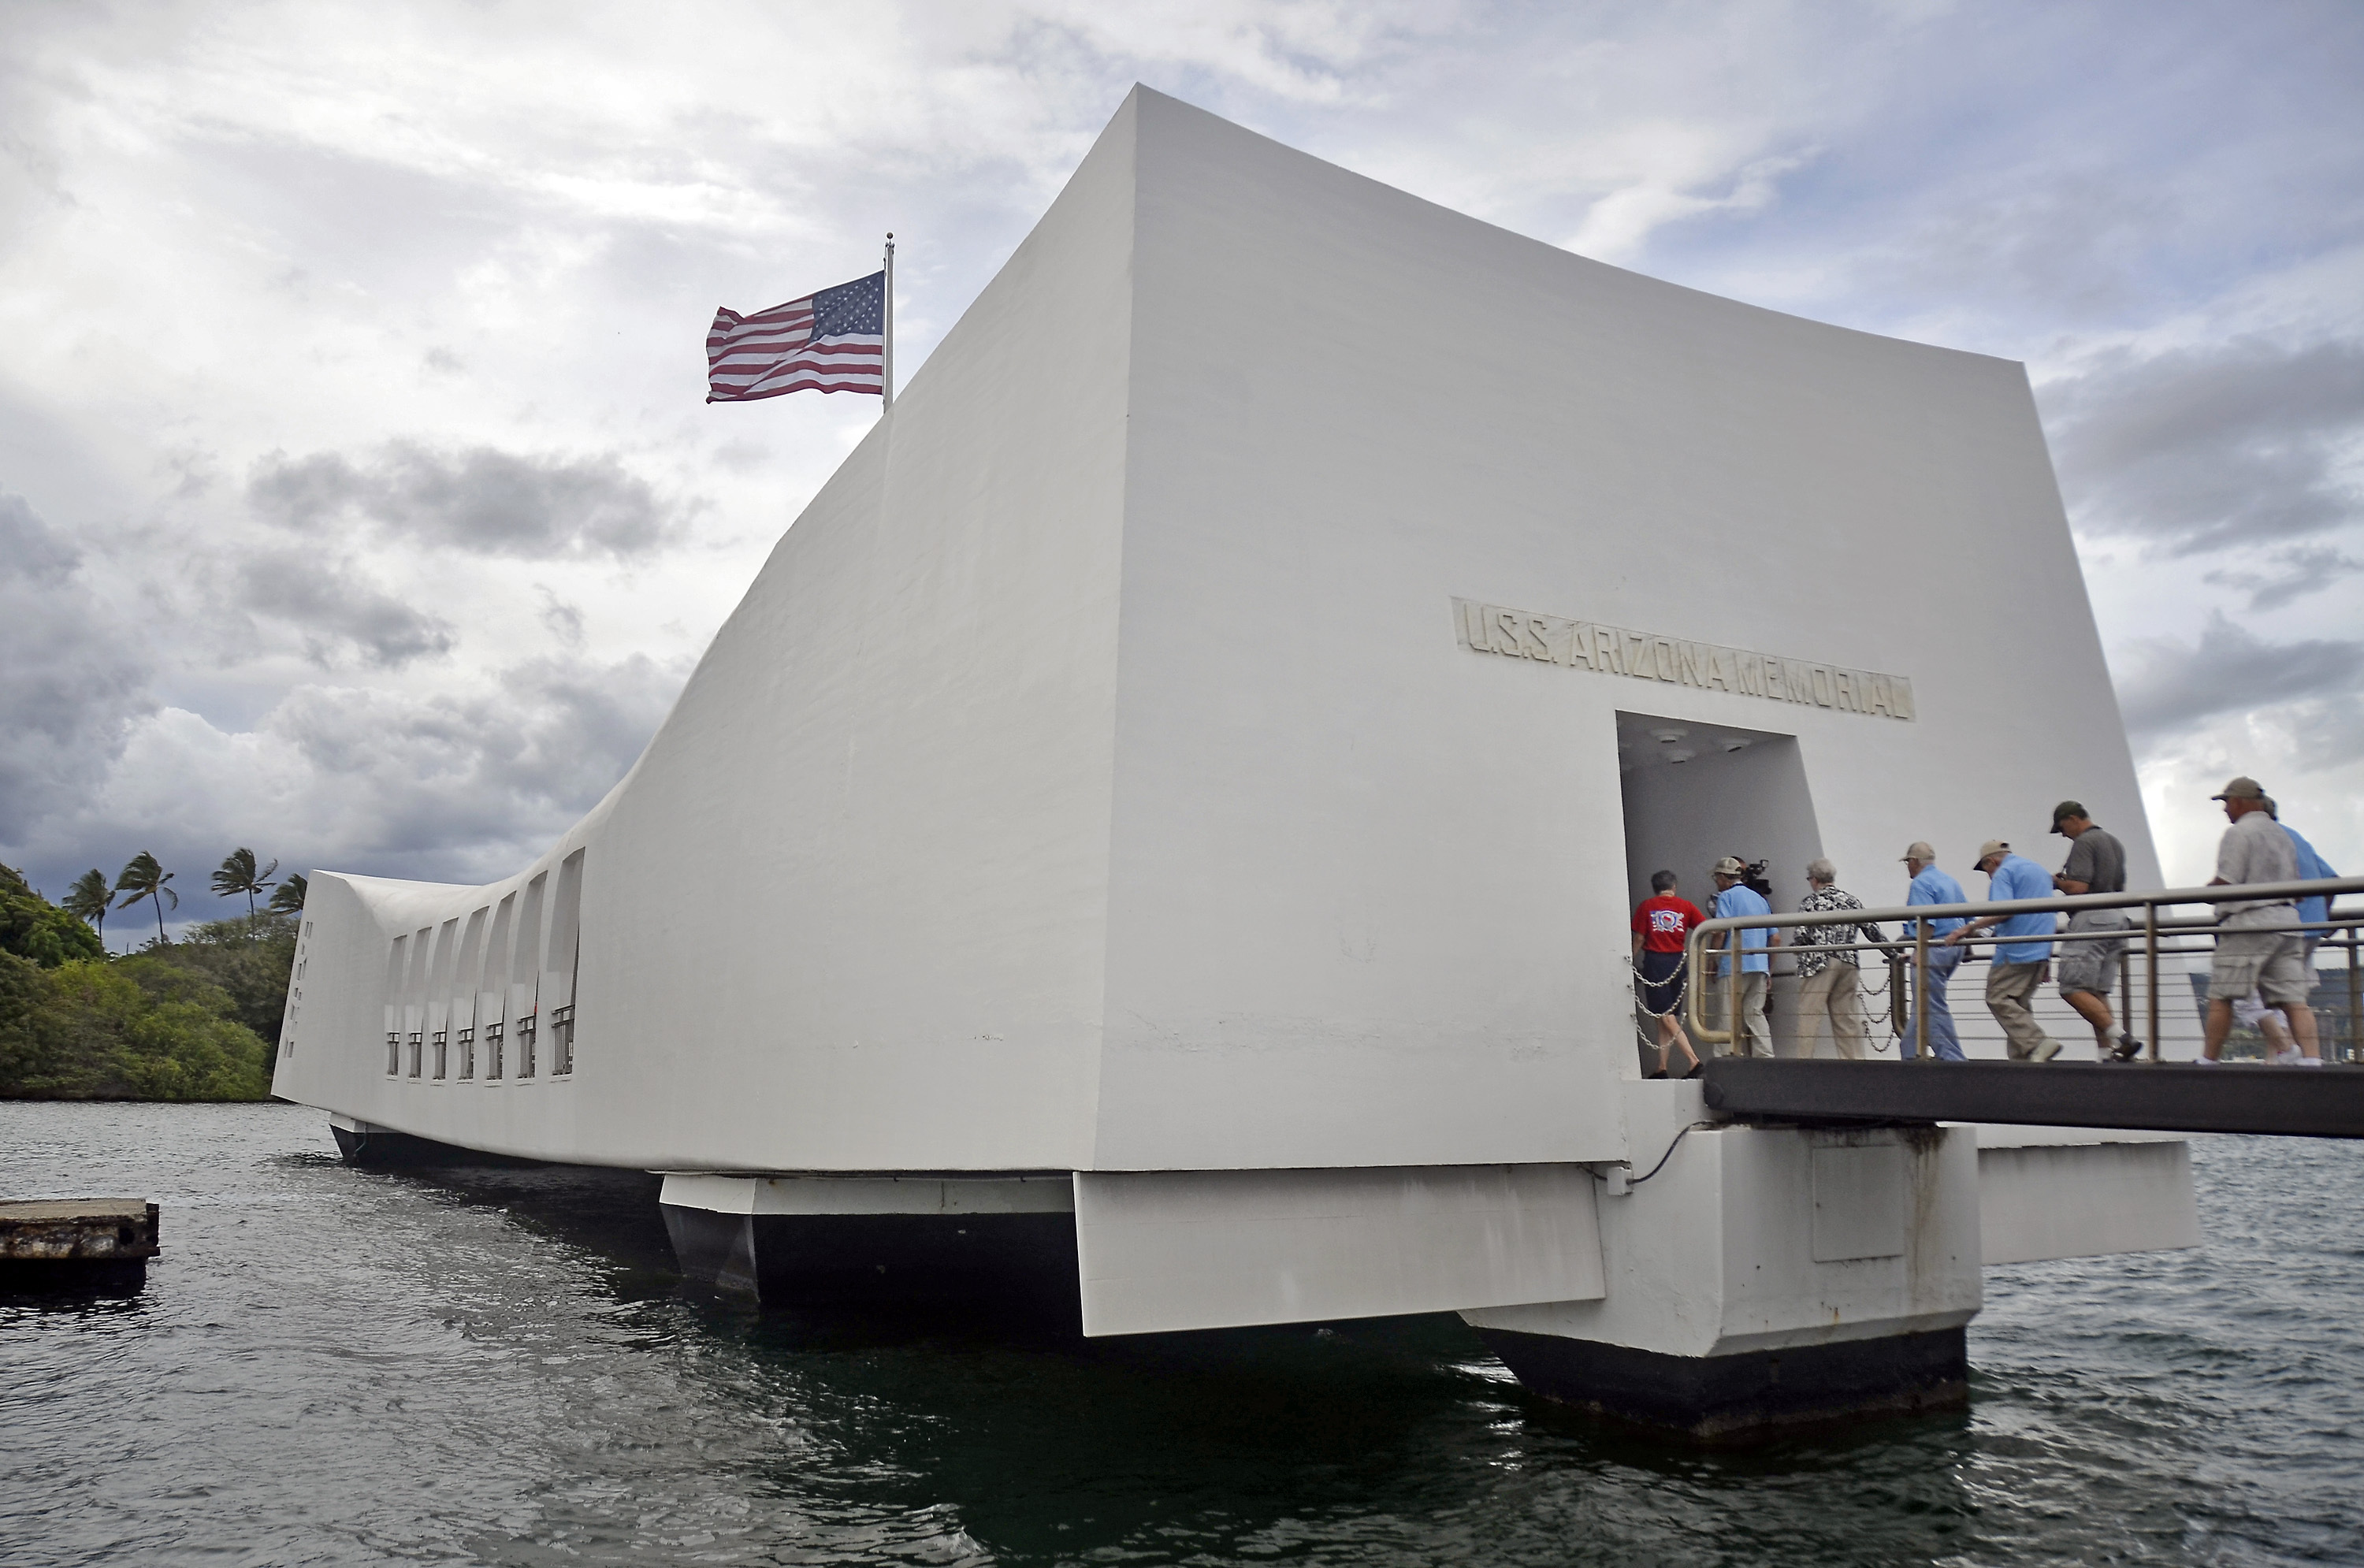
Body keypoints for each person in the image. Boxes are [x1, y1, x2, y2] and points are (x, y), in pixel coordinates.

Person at [2199, 777, 2321, 1065]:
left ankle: (2208, 1061)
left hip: (2249, 923)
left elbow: (2227, 880)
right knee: (2294, 1000)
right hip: (2288, 922)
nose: (2225, 809)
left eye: (2226, 802)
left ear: (2239, 802)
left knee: (2222, 994)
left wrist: (2204, 894)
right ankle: (2313, 1060)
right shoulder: (2282, 835)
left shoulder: (2239, 833)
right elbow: (2298, 887)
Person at [1947, 839, 2064, 1061]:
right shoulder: (2037, 871)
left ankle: (2037, 1042)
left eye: (1986, 870)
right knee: (2018, 1004)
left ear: (1991, 861)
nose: (1989, 875)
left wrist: (1969, 927)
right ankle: (2023, 1060)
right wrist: (2046, 956)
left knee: (1997, 997)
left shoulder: (2004, 873)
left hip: (2016, 949)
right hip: (2041, 946)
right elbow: (2047, 913)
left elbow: (2003, 910)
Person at [2050, 801, 2143, 1061]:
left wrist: (2057, 882)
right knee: (2096, 993)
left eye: (2062, 828)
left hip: (2092, 918)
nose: (2063, 834)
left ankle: (2122, 1038)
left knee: (2071, 987)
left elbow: (2079, 888)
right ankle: (2107, 1054)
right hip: (2117, 918)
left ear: (2072, 819)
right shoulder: (2113, 841)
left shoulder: (2084, 842)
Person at [1793, 858, 1892, 1059]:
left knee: (1809, 1017)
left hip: (1818, 963)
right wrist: (1894, 953)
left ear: (1814, 879)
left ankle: (1803, 1065)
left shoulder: (1811, 902)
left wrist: (1795, 949)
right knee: (1846, 1020)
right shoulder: (1851, 900)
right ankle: (1854, 1065)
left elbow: (1801, 936)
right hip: (1848, 963)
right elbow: (1872, 930)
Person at [1630, 871, 1705, 1079]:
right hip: (1679, 962)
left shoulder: (1647, 906)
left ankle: (1694, 1062)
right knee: (1663, 1018)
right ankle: (1661, 1067)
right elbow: (1705, 928)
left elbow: (1639, 938)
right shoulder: (1686, 906)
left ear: (1655, 888)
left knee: (1665, 1016)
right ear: (1674, 886)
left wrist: (1629, 960)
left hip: (1656, 963)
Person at [1898, 842, 1968, 1061]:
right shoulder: (1950, 881)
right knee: (1923, 1003)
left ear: (1915, 862)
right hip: (1954, 947)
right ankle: (1909, 1054)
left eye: (1908, 862)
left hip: (1934, 947)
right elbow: (1968, 918)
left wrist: (1920, 949)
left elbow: (1927, 920)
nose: (1907, 867)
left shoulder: (1921, 883)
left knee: (1931, 1004)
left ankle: (1953, 1059)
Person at [1708, 854, 1775, 1057]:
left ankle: (1725, 1057)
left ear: (1723, 877)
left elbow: (1720, 931)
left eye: (1716, 878)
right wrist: (1769, 971)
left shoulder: (1726, 897)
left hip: (1733, 965)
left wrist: (1713, 959)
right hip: (1760, 966)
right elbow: (1776, 939)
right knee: (1755, 1013)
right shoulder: (1760, 899)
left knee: (1728, 1013)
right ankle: (1765, 1056)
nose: (1717, 883)